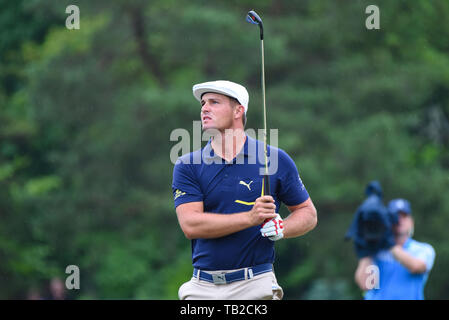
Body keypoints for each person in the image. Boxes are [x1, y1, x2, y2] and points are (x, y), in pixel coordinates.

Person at [172, 80, 317, 300]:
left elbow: (308, 213)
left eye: (214, 102)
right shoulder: (187, 165)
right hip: (202, 288)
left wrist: (282, 227)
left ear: (238, 110)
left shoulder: (274, 159)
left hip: (256, 284)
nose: (204, 108)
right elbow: (190, 224)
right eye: (203, 103)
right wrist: (250, 218)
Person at [354, 199, 435, 300]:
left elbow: (417, 267)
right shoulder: (377, 251)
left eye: (404, 216)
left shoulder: (423, 249)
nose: (400, 220)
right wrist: (366, 250)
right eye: (395, 217)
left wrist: (390, 245)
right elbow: (365, 285)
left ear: (411, 222)